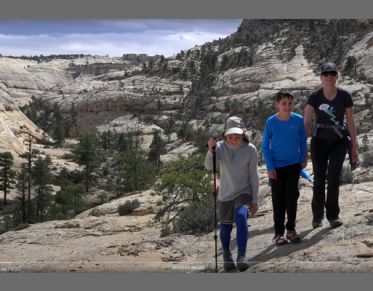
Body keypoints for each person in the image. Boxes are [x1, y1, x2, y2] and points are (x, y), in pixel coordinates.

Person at [304, 62, 358, 229]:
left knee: (333, 178)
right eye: (326, 74)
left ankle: (333, 216)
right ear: (321, 77)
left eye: (332, 74)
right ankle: (317, 216)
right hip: (319, 141)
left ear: (336, 76)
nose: (329, 77)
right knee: (319, 179)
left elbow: (350, 121)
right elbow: (306, 121)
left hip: (338, 141)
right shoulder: (314, 96)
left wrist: (354, 147)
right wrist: (301, 146)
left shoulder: (344, 96)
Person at [205, 116, 259, 272]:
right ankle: (227, 255)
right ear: (225, 135)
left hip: (244, 191)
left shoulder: (250, 150)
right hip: (226, 193)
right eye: (230, 136)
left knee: (241, 216)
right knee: (225, 228)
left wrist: (254, 200)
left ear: (243, 134)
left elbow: (254, 176)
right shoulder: (220, 147)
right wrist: (211, 150)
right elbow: (209, 167)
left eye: (237, 136)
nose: (234, 139)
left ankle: (242, 255)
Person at [262, 91, 307, 246]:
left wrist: (303, 158)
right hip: (276, 167)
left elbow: (302, 140)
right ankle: (278, 233)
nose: (287, 106)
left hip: (294, 164)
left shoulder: (298, 120)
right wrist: (270, 167)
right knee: (278, 200)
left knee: (292, 196)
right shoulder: (271, 122)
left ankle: (291, 230)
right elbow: (265, 146)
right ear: (277, 104)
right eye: (284, 103)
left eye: (290, 103)